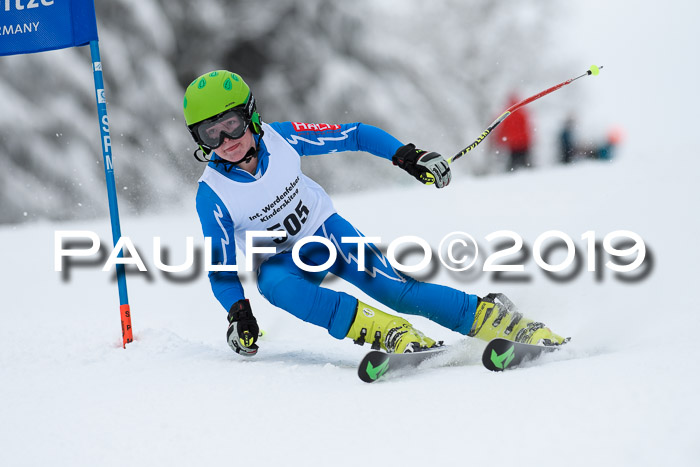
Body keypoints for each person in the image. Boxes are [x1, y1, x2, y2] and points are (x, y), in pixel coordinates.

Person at [183, 70, 567, 357]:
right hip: (280, 261)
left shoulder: (283, 138)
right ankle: (389, 333)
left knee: (395, 290)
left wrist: (407, 157)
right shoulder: (212, 194)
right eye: (209, 134)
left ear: (249, 116)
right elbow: (221, 268)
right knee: (276, 288)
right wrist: (238, 312)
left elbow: (356, 133)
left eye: (231, 126)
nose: (225, 142)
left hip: (326, 234)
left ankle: (492, 318)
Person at [493, 93, 534, 171]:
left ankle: (511, 174)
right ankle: (529, 174)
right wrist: (530, 140)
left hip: (513, 144)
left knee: (513, 164)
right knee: (526, 163)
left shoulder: (507, 115)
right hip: (523, 143)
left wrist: (499, 141)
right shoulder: (522, 113)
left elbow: (502, 130)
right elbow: (528, 128)